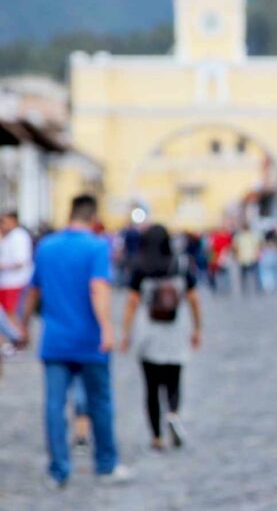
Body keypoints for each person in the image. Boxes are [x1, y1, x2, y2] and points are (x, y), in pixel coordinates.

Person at [18, 195, 133, 488]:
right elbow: (98, 288)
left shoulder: (46, 246)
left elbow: (33, 289)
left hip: (55, 339)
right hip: (89, 339)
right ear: (93, 217)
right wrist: (107, 327)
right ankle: (106, 464)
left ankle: (59, 469)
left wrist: (23, 325)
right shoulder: (96, 246)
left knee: (54, 405)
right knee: (100, 403)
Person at [120, 224, 202, 450]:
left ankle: (156, 435)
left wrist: (126, 333)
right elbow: (194, 299)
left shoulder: (139, 266)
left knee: (151, 386)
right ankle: (173, 414)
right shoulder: (181, 264)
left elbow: (131, 303)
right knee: (174, 380)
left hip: (149, 332)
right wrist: (197, 328)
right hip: (175, 331)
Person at [0, 211, 33, 325]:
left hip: (15, 282)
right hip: (7, 282)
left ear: (13, 221)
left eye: (4, 221)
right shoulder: (8, 235)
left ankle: (17, 338)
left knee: (11, 313)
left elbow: (20, 262)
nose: (2, 225)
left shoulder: (19, 236)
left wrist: (2, 266)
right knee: (6, 313)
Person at [234, 224, 262, 295]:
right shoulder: (253, 235)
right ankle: (257, 288)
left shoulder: (239, 236)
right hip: (252, 257)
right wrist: (258, 254)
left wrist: (236, 255)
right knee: (255, 274)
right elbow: (258, 245)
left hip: (242, 257)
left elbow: (235, 247)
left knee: (244, 275)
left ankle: (244, 288)